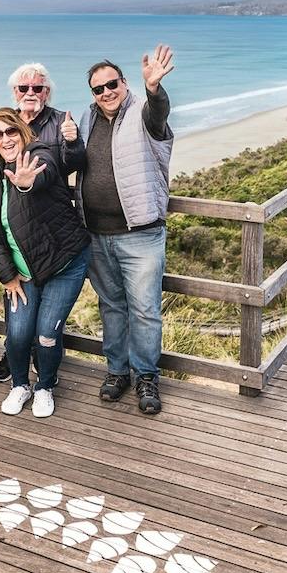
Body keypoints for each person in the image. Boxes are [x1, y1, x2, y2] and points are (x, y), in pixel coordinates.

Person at [79, 45, 176, 416]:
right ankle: (117, 371)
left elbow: (159, 114)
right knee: (112, 307)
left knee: (145, 310)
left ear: (124, 83)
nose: (106, 92)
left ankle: (146, 377)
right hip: (96, 234)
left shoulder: (143, 112)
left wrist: (154, 88)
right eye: (98, 89)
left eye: (112, 84)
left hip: (141, 234)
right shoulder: (87, 118)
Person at [0, 107, 87, 419]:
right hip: (22, 273)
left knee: (46, 334)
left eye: (11, 131)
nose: (5, 138)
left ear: (22, 132)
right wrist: (7, 275)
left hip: (62, 265)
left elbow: (44, 173)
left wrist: (25, 183)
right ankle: (20, 385)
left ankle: (45, 386)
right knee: (17, 334)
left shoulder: (40, 155)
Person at [0, 62, 68, 386]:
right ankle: (15, 354)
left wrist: (27, 183)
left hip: (49, 235)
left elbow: (56, 166)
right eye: (24, 88)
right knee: (19, 316)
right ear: (15, 92)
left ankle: (45, 366)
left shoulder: (58, 125)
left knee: (48, 321)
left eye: (37, 88)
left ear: (46, 92)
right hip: (16, 244)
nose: (30, 93)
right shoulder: (4, 125)